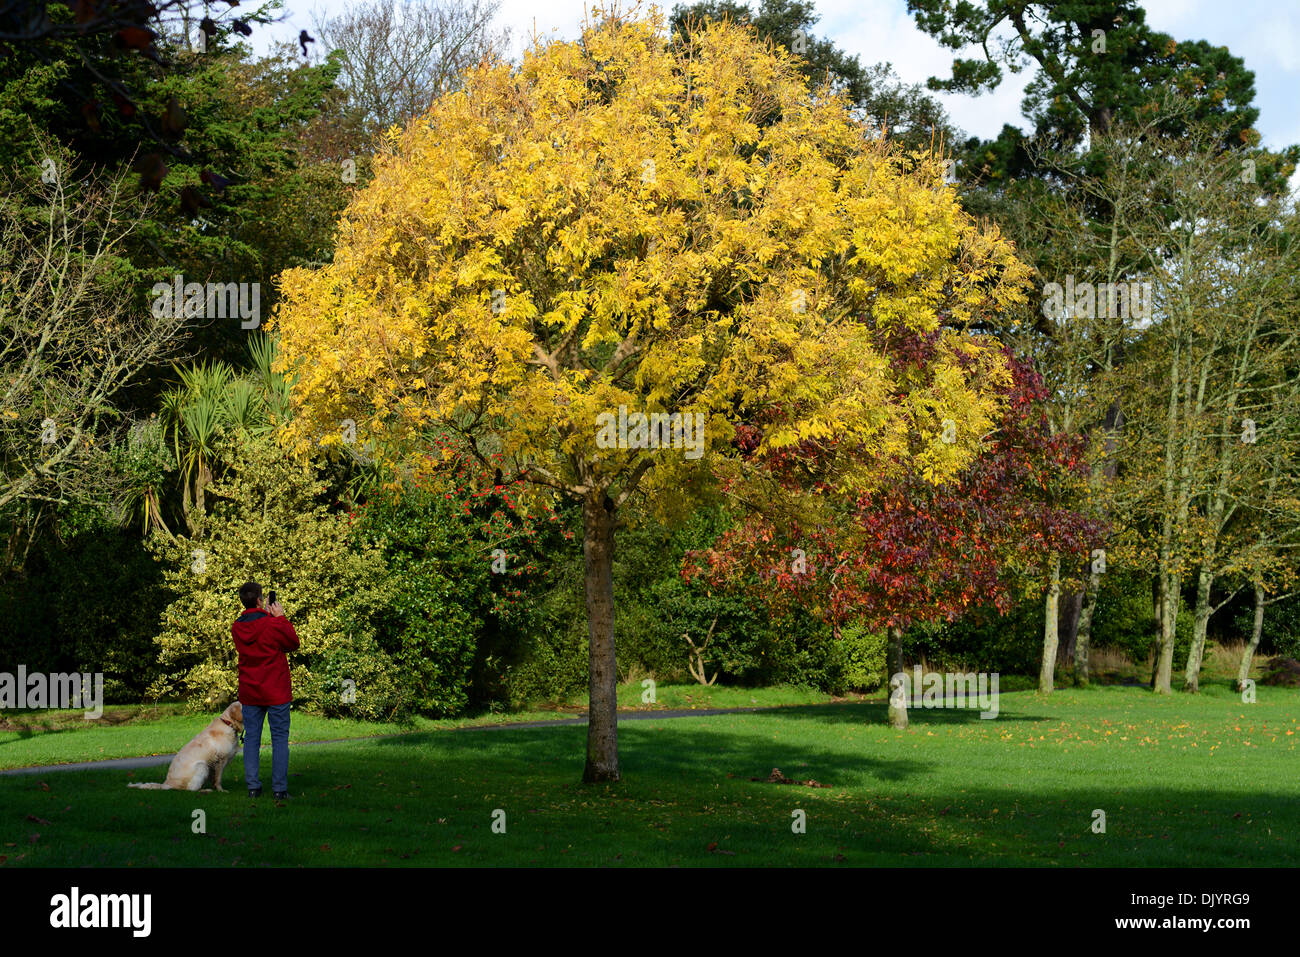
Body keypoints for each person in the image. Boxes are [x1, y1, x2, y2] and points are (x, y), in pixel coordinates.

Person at [232, 580, 299, 800]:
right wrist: (280, 617)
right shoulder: (272, 623)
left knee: (251, 739)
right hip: (276, 689)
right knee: (279, 738)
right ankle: (279, 790)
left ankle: (253, 787)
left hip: (251, 690)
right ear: (261, 600)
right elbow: (292, 643)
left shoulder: (237, 626)